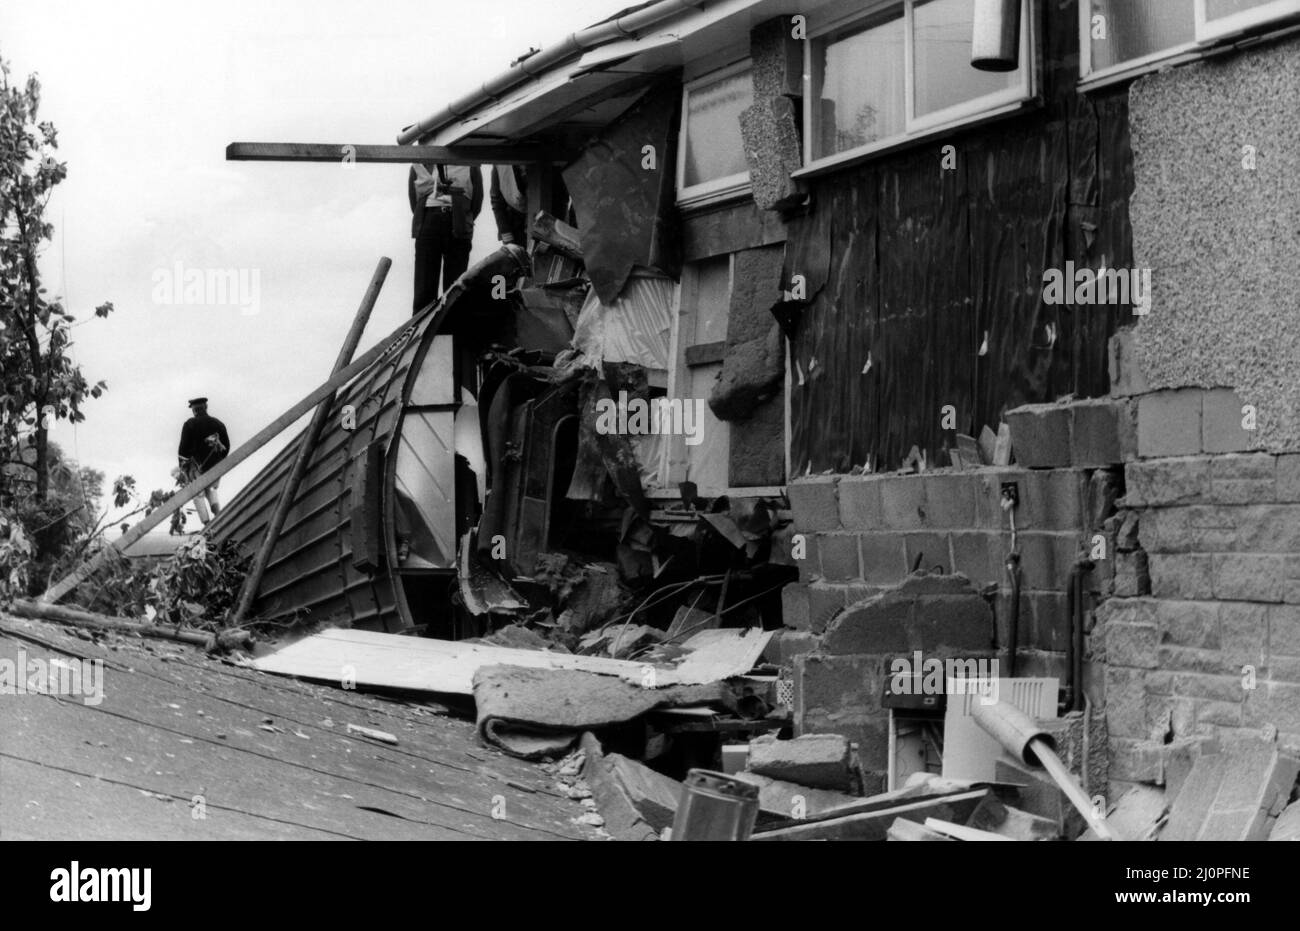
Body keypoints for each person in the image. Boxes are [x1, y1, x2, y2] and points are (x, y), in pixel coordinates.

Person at [409, 161, 483, 313]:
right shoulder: (418, 165)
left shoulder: (471, 164)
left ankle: (453, 331)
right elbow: (414, 202)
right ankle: (423, 332)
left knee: (455, 285)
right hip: (427, 224)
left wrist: (461, 218)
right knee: (424, 285)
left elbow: (477, 201)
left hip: (458, 225)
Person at [177, 397, 230, 525]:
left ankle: (207, 525)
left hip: (196, 466)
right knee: (212, 490)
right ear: (206, 408)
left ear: (194, 410)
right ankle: (219, 519)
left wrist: (183, 469)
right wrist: (218, 460)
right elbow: (226, 446)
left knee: (198, 495)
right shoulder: (218, 423)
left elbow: (183, 450)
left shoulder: (190, 424)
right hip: (215, 465)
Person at [489, 164, 528, 245]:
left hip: (545, 227)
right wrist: (508, 240)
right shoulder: (500, 164)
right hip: (515, 229)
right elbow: (497, 203)